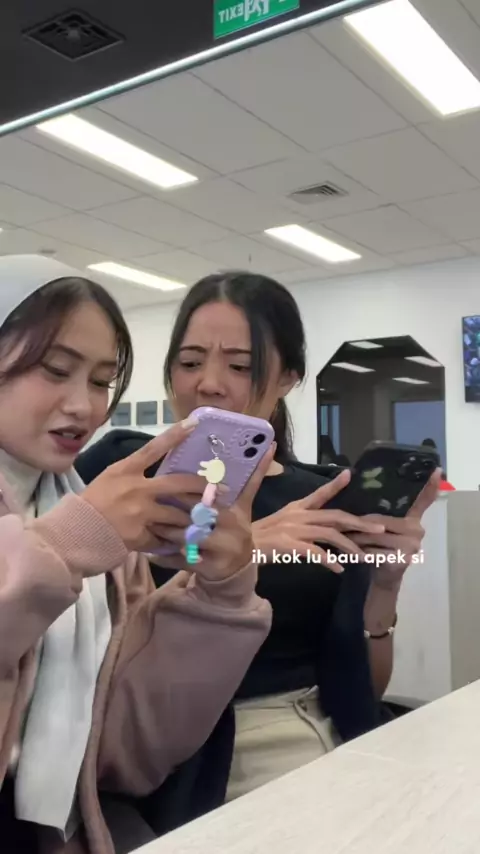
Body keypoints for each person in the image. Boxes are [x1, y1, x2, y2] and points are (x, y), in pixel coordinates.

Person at [78, 271, 439, 828]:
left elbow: (362, 686)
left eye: (241, 366)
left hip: (330, 735)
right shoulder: (123, 471)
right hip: (192, 753)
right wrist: (238, 554)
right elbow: (85, 622)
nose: (209, 383)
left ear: (288, 377)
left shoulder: (321, 495)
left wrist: (386, 584)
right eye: (190, 361)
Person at [0, 257, 273, 854]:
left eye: (101, 381)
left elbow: (125, 750)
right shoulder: (90, 520)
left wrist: (219, 596)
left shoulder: (92, 515)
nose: (85, 406)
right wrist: (70, 542)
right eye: (55, 370)